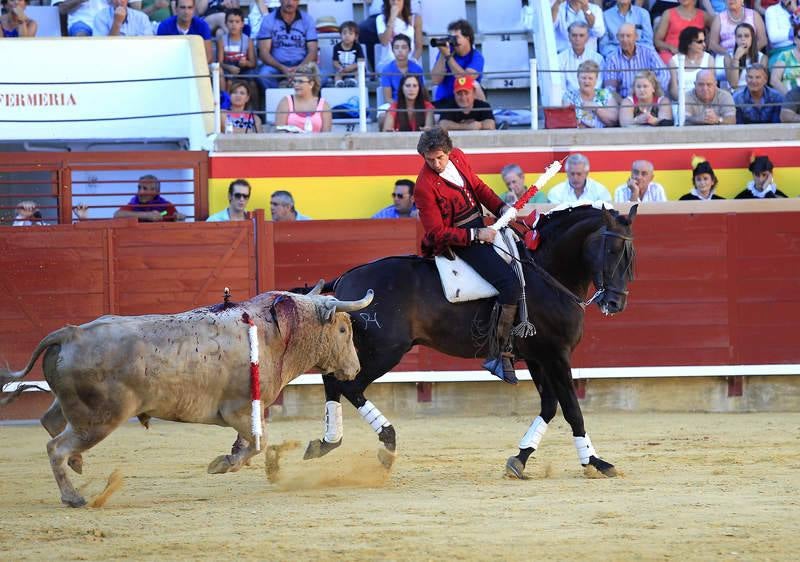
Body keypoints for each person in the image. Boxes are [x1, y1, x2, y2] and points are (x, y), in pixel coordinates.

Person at [413, 127, 521, 384]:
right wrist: (476, 235)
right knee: (509, 284)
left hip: (483, 227)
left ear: (449, 152)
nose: (435, 164)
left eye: (439, 157)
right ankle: (499, 352)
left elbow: (479, 188)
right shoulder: (423, 186)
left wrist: (500, 207)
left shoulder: (459, 157)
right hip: (460, 242)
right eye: (430, 160)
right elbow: (437, 233)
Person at [256, 0, 318, 90]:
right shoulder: (268, 20)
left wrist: (299, 69)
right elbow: (264, 53)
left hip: (302, 64)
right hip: (276, 66)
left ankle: (292, 91)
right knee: (264, 75)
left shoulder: (308, 20)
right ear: (280, 0)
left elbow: (313, 51)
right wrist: (282, 68)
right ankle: (281, 96)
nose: (290, 2)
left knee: (322, 76)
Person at [603, 23, 670, 99]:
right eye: (621, 36)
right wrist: (624, 104)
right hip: (624, 101)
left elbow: (664, 75)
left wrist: (653, 92)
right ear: (617, 38)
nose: (625, 39)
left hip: (650, 98)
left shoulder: (649, 52)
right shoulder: (612, 58)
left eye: (628, 36)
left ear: (636, 37)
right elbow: (610, 89)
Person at [430, 19, 486, 103]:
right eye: (450, 38)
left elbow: (466, 79)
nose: (453, 41)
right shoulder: (445, 52)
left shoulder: (476, 57)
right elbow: (435, 80)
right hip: (445, 100)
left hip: (467, 102)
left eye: (456, 38)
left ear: (467, 38)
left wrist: (448, 57)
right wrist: (443, 55)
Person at [274, 62, 332, 133]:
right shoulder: (285, 102)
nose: (296, 85)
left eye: (300, 81)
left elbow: (326, 136)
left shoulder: (324, 105)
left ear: (311, 84)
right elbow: (279, 132)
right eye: (294, 81)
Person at [562, 60, 619, 128]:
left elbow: (614, 120)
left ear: (596, 79)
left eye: (590, 78)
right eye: (583, 78)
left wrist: (596, 108)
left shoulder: (605, 94)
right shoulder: (569, 96)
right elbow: (566, 120)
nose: (587, 81)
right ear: (578, 78)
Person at [654, 0, 712, 64]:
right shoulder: (668, 13)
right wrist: (670, 47)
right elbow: (657, 41)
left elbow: (717, 31)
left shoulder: (704, 16)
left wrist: (707, 42)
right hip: (671, 54)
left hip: (695, 54)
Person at [667, 26, 714, 100]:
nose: (704, 45)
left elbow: (712, 86)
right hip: (681, 102)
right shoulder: (674, 61)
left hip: (703, 102)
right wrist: (686, 103)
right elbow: (673, 89)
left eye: (704, 41)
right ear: (688, 43)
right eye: (699, 42)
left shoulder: (709, 59)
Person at [114, 175, 186, 222]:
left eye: (145, 188)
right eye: (139, 187)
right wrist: (147, 215)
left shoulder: (166, 207)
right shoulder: (133, 204)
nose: (140, 192)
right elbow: (117, 215)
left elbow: (173, 217)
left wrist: (179, 218)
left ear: (156, 192)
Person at [375, 0, 423, 70]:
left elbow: (418, 47)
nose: (395, 3)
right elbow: (384, 42)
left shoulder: (415, 19)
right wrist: (392, 18)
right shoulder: (380, 18)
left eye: (399, 0)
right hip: (388, 63)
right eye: (392, 0)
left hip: (410, 62)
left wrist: (411, 62)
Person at [558, 21, 605, 93]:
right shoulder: (561, 58)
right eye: (574, 35)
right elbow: (561, 87)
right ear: (569, 37)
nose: (577, 39)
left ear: (587, 37)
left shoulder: (598, 59)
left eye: (581, 35)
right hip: (569, 100)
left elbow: (598, 84)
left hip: (592, 100)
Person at [547, 153, 612, 204]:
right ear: (567, 172)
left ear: (586, 173)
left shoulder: (600, 191)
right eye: (572, 173)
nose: (575, 177)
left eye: (579, 174)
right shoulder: (556, 192)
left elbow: (607, 216)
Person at [380, 34, 425, 105]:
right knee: (382, 116)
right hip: (394, 105)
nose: (400, 50)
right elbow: (388, 98)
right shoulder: (386, 70)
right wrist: (401, 107)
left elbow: (421, 94)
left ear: (409, 50)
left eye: (404, 47)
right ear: (392, 50)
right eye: (396, 47)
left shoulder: (417, 69)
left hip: (414, 105)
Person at [723, 23, 768, 90]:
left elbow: (760, 84)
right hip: (736, 95)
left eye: (746, 36)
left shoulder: (762, 58)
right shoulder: (728, 57)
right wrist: (736, 59)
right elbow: (733, 84)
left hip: (755, 93)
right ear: (735, 39)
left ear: (752, 38)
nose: (743, 39)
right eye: (739, 36)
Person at [217, 8, 257, 81]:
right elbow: (220, 63)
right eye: (231, 21)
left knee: (252, 78)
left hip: (244, 70)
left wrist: (246, 63)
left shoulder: (248, 41)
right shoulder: (222, 40)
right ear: (226, 23)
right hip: (228, 69)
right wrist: (229, 67)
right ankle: (224, 92)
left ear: (242, 24)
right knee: (227, 79)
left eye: (237, 22)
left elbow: (253, 63)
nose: (234, 24)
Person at [764, 0, 800, 66]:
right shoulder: (771, 10)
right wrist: (795, 32)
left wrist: (796, 11)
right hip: (780, 51)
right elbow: (773, 37)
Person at [333, 21, 365, 88]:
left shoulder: (357, 47)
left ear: (355, 36)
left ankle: (353, 82)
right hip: (343, 70)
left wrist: (351, 67)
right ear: (340, 35)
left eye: (350, 34)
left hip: (354, 69)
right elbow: (335, 62)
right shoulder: (336, 47)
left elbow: (361, 61)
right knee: (337, 74)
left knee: (359, 72)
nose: (347, 36)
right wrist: (340, 67)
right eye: (344, 33)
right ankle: (339, 83)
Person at [769, 26, 800, 95]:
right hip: (790, 99)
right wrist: (790, 96)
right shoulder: (785, 56)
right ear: (795, 39)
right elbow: (774, 80)